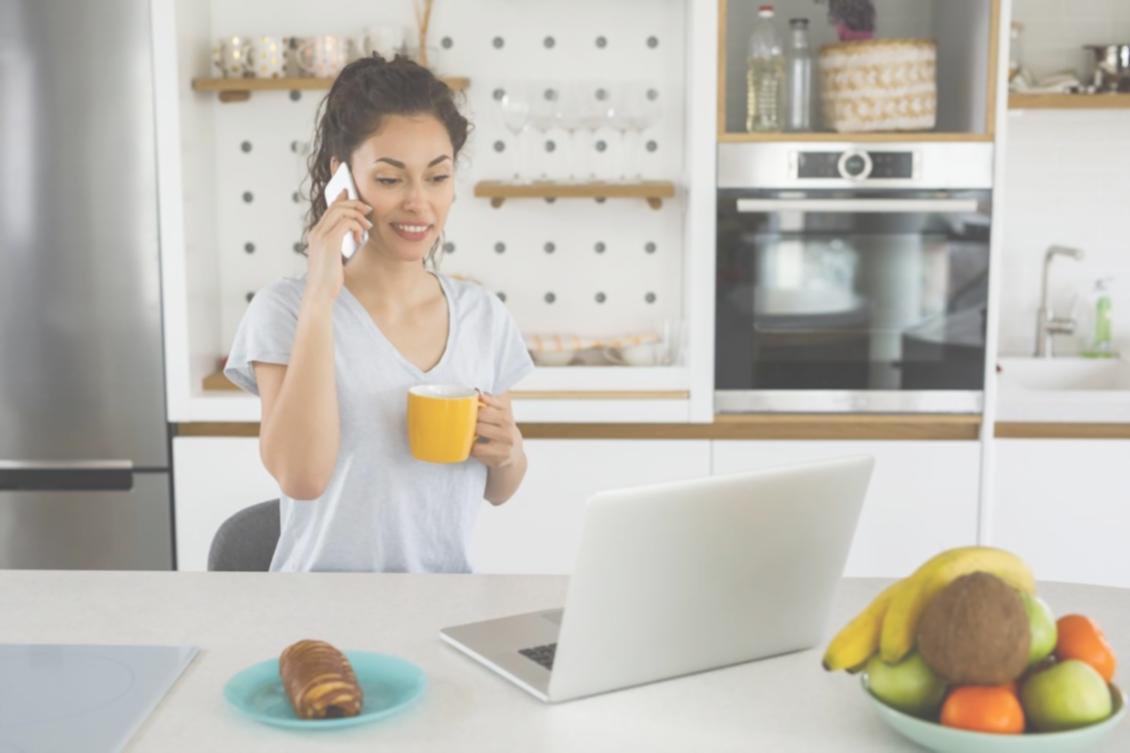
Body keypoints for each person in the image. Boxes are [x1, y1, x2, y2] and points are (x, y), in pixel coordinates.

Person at [224, 55, 534, 573]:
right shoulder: (285, 310)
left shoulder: (483, 317)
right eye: (391, 180)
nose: (419, 203)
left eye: (437, 177)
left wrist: (507, 453)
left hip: (442, 613)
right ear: (341, 179)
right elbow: (301, 478)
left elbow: (500, 491)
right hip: (319, 616)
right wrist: (321, 295)